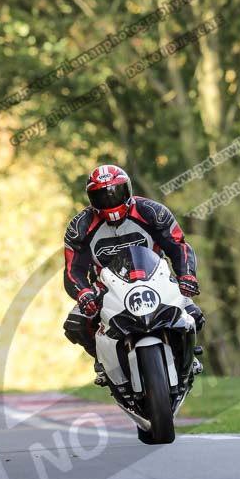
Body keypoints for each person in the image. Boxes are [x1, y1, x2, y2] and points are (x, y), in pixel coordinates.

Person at [63, 164, 204, 384]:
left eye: (115, 192)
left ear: (128, 189)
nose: (110, 200)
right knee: (76, 324)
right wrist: (83, 293)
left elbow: (178, 245)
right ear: (91, 198)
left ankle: (187, 358)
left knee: (194, 314)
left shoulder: (152, 212)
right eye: (102, 195)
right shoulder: (80, 226)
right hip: (105, 286)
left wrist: (187, 276)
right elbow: (73, 269)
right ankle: (103, 363)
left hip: (157, 279)